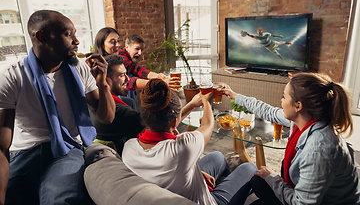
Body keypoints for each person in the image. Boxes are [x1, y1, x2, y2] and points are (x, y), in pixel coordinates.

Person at [0, 10, 116, 205]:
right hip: (25, 152)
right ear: (41, 37)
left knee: (57, 200)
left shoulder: (79, 68)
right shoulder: (12, 76)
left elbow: (107, 118)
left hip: (67, 149)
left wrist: (102, 83)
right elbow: (2, 146)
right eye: (68, 34)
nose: (76, 41)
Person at [218, 73, 360, 205]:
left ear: (298, 106)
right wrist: (234, 95)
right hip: (312, 193)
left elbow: (301, 203)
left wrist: (272, 178)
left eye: (284, 97)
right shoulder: (305, 120)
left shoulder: (318, 151)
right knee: (257, 181)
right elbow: (268, 111)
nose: (281, 100)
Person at [122, 79, 258, 205]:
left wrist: (192, 104)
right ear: (174, 121)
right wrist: (206, 101)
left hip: (172, 189)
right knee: (250, 168)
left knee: (217, 156)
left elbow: (166, 125)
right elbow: (208, 125)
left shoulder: (129, 147)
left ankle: (220, 186)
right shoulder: (183, 147)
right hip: (202, 202)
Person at [90, 54, 145, 156]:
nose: (127, 79)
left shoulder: (93, 102)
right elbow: (159, 126)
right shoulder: (119, 111)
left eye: (126, 74)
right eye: (121, 75)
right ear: (106, 80)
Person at [120, 34, 166, 100]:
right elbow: (134, 69)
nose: (140, 53)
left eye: (141, 50)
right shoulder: (121, 56)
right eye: (137, 49)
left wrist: (157, 76)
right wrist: (156, 79)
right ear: (127, 47)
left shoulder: (128, 56)